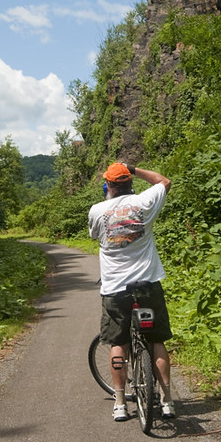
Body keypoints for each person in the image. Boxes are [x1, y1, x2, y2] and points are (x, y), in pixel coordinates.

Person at [88, 161, 176, 422]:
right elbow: (164, 181)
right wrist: (134, 168)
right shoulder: (144, 202)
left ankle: (119, 403)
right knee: (156, 340)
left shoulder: (97, 210)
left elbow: (95, 236)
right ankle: (168, 400)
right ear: (129, 183)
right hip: (147, 285)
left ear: (109, 185)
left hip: (115, 289)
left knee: (118, 342)